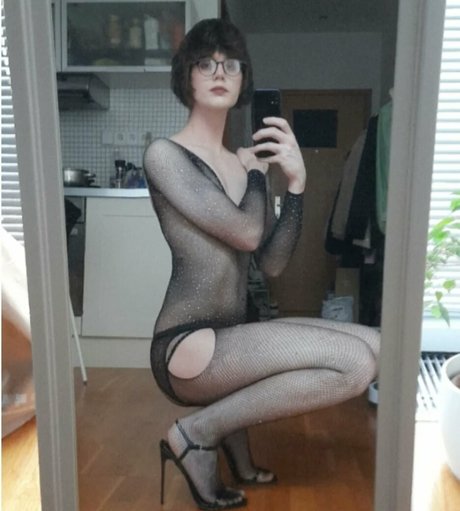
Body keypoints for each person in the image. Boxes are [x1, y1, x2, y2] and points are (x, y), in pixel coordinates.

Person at [143, 18, 379, 510]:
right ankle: (196, 433)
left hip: (234, 335)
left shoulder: (243, 162)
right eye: (205, 63)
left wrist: (295, 184)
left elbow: (271, 263)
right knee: (356, 365)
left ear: (243, 79)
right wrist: (255, 175)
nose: (219, 72)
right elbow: (247, 233)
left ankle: (222, 435)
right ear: (186, 75)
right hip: (189, 344)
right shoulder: (165, 156)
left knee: (379, 345)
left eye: (231, 64)